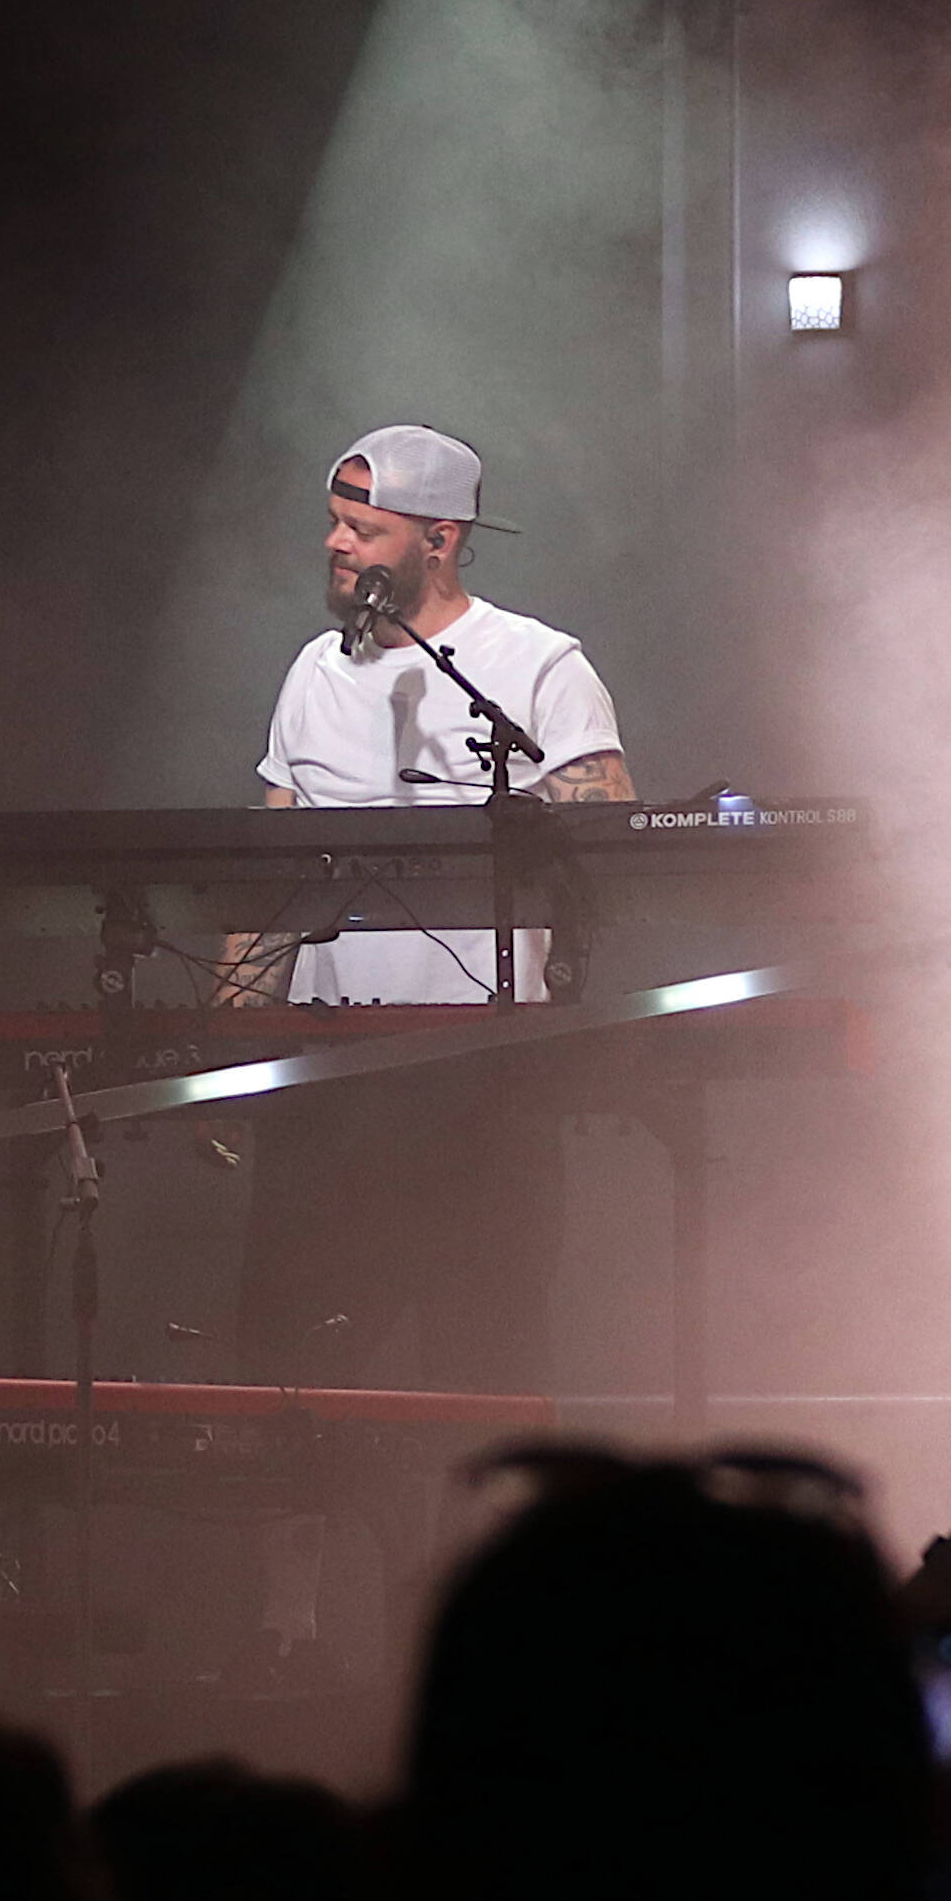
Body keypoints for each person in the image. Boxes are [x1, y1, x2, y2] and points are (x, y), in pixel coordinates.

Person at [227, 425, 632, 1394]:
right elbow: (269, 868)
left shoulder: (536, 663)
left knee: (483, 1365)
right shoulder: (310, 672)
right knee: (290, 1368)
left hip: (482, 1081)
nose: (336, 544)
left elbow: (612, 823)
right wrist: (233, 1032)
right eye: (333, 523)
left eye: (363, 529)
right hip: (326, 1081)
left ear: (438, 540)